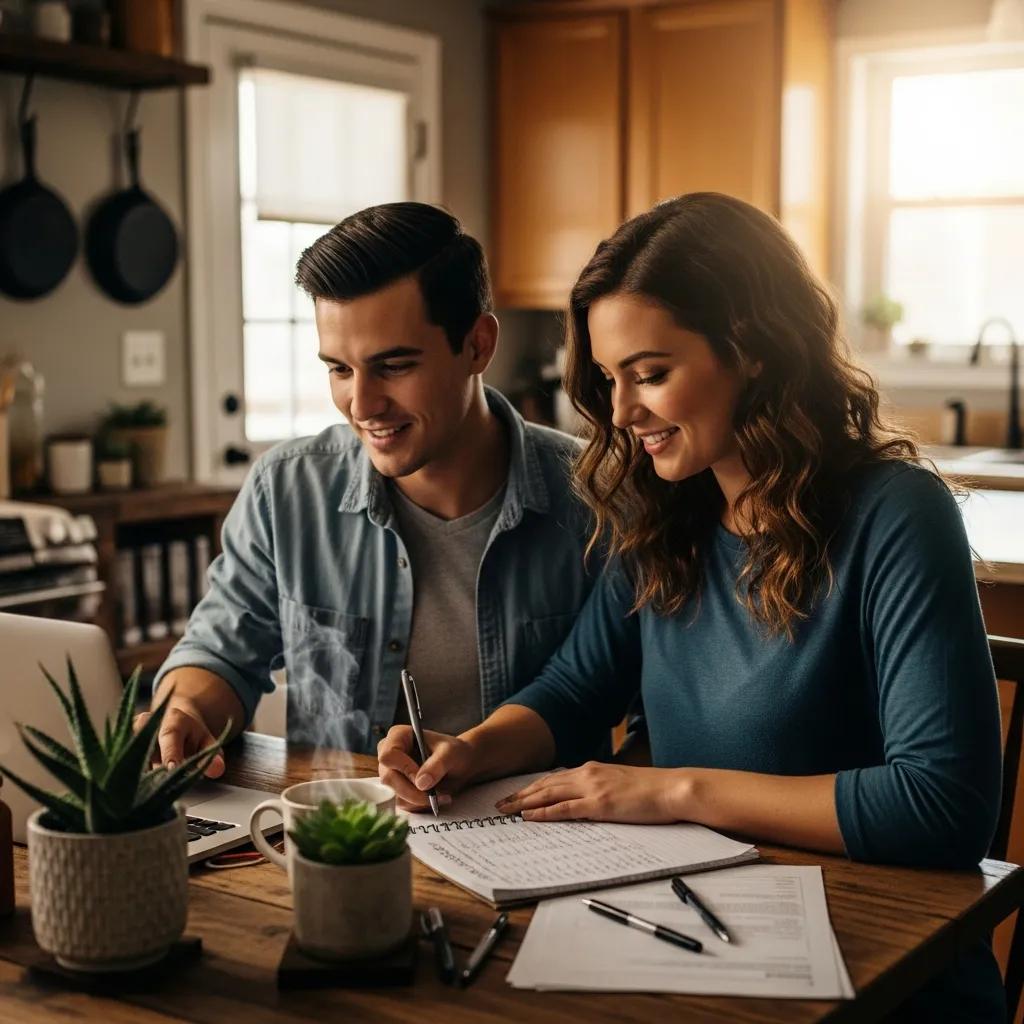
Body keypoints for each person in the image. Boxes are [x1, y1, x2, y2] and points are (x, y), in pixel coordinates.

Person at [379, 193, 1004, 1021]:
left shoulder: (897, 513)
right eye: (609, 379)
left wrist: (673, 792)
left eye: (651, 374)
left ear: (750, 349)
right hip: (708, 942)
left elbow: (941, 805)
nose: (621, 412)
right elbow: (574, 690)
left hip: (885, 972)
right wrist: (472, 750)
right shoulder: (665, 514)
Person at [138, 202, 596, 774]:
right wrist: (185, 710)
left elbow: (635, 707)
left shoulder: (596, 499)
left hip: (546, 846)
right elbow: (221, 653)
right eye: (339, 369)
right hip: (345, 833)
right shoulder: (287, 490)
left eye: (394, 366)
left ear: (478, 345)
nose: (363, 404)